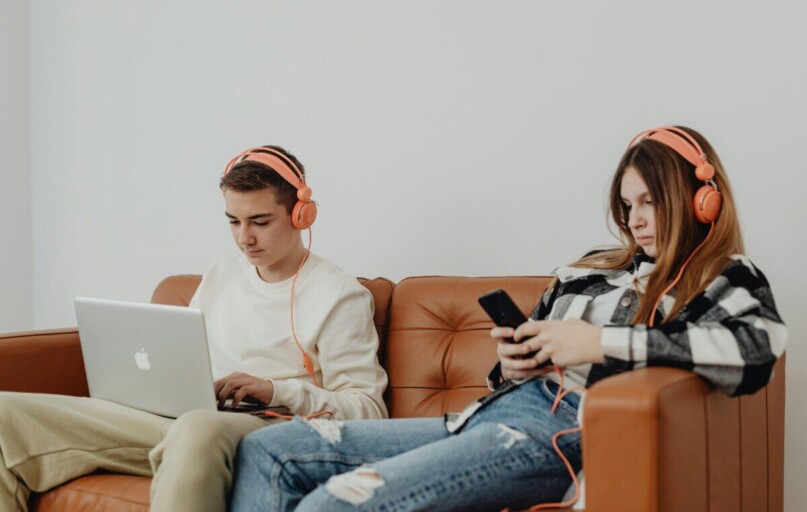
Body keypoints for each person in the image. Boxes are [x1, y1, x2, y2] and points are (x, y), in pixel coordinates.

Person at [229, 127, 788, 512]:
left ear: (701, 200)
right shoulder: (586, 272)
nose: (636, 221)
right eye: (628, 205)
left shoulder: (722, 276)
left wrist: (596, 343)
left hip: (554, 431)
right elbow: (509, 374)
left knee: (335, 502)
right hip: (483, 418)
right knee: (269, 450)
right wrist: (517, 363)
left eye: (650, 202)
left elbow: (757, 347)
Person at [0, 145, 388, 512]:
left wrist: (276, 390)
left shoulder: (338, 295)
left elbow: (370, 412)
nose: (245, 238)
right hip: (185, 419)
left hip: (262, 426)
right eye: (234, 221)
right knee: (6, 413)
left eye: (260, 222)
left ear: (300, 215)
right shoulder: (221, 274)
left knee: (198, 427)